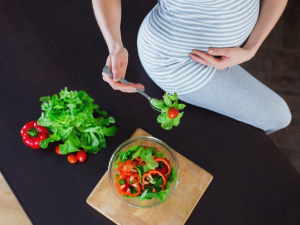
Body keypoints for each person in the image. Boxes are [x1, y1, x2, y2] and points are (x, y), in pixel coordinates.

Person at [92, 0, 291, 135]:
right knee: (278, 116)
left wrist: (251, 48)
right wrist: (115, 45)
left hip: (218, 53)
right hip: (177, 63)